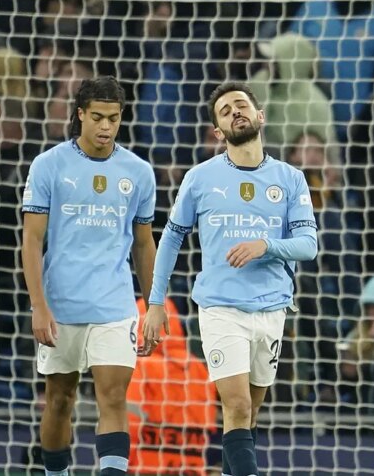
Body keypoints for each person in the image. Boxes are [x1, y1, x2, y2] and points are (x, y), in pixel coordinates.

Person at [141, 82, 318, 476]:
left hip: (273, 308)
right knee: (236, 406)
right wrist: (155, 301)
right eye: (225, 111)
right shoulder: (200, 178)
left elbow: (309, 244)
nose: (235, 111)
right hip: (221, 308)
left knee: (249, 415)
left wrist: (266, 245)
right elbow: (171, 237)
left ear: (260, 116)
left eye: (241, 105)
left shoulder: (289, 178)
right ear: (218, 132)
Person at [21, 76, 157, 476]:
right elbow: (31, 242)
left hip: (115, 306)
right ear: (80, 114)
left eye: (113, 118)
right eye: (97, 117)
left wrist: (152, 305)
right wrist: (39, 307)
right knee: (60, 400)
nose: (105, 126)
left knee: (113, 398)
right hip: (60, 306)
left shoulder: (138, 171)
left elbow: (144, 244)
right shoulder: (48, 165)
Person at [127, 297, 217, 475]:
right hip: (190, 467)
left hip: (147, 466)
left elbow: (130, 421)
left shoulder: (140, 365)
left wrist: (123, 462)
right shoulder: (198, 368)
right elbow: (209, 424)